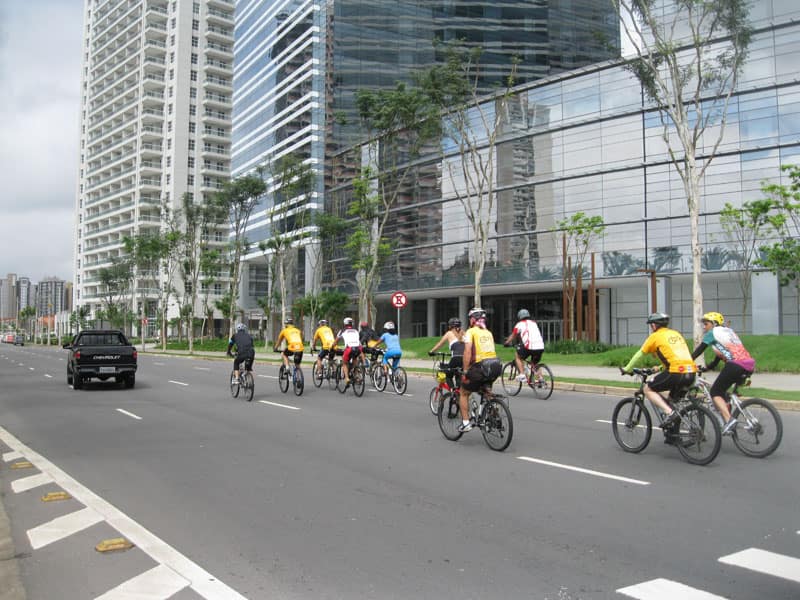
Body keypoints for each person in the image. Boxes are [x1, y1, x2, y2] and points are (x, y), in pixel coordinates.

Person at [621, 312, 696, 433]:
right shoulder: (676, 334)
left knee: (647, 389)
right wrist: (659, 368)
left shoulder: (655, 336)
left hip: (676, 373)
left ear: (654, 325)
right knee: (672, 401)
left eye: (651, 325)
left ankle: (670, 413)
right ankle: (673, 436)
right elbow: (675, 357)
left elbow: (640, 354)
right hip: (691, 373)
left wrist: (627, 369)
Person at [691, 311, 755, 435]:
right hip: (749, 365)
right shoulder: (728, 332)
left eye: (706, 324)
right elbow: (721, 356)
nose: (704, 327)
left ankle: (729, 420)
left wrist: (686, 361)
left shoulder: (712, 333)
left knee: (715, 392)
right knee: (724, 393)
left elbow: (699, 351)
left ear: (714, 324)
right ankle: (729, 415)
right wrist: (707, 368)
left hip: (736, 365)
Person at [458, 308, 503, 432]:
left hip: (480, 367)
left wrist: (465, 371)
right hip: (495, 366)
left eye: (470, 318)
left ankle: (466, 423)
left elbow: (467, 352)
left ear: (473, 319)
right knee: (486, 391)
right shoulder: (488, 332)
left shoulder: (471, 332)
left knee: (463, 392)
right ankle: (493, 417)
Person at [504, 308, 545, 383]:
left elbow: (513, 335)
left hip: (530, 346)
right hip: (541, 346)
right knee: (534, 363)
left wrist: (506, 343)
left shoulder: (519, 324)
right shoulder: (534, 323)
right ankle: (541, 379)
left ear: (519, 316)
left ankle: (522, 375)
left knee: (518, 356)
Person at [428, 317, 465, 389]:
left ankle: (452, 392)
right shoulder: (463, 333)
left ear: (450, 326)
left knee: (448, 375)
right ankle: (458, 392)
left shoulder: (449, 333)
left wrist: (431, 351)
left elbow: (440, 344)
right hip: (465, 358)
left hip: (456, 358)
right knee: (458, 375)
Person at [336, 317, 362, 385]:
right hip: (358, 348)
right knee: (355, 359)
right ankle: (356, 375)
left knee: (344, 363)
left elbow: (336, 340)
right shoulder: (356, 330)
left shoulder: (342, 330)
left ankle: (347, 378)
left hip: (349, 348)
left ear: (345, 323)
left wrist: (333, 346)